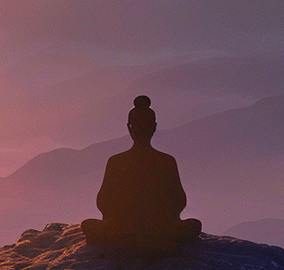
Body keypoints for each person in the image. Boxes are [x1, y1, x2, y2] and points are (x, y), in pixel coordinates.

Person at [81, 96, 201, 253]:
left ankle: (125, 238)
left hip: (121, 228)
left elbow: (103, 202)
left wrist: (120, 217)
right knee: (193, 225)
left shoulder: (116, 161)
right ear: (154, 127)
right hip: (161, 229)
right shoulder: (166, 161)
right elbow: (179, 200)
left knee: (88, 225)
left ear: (129, 128)